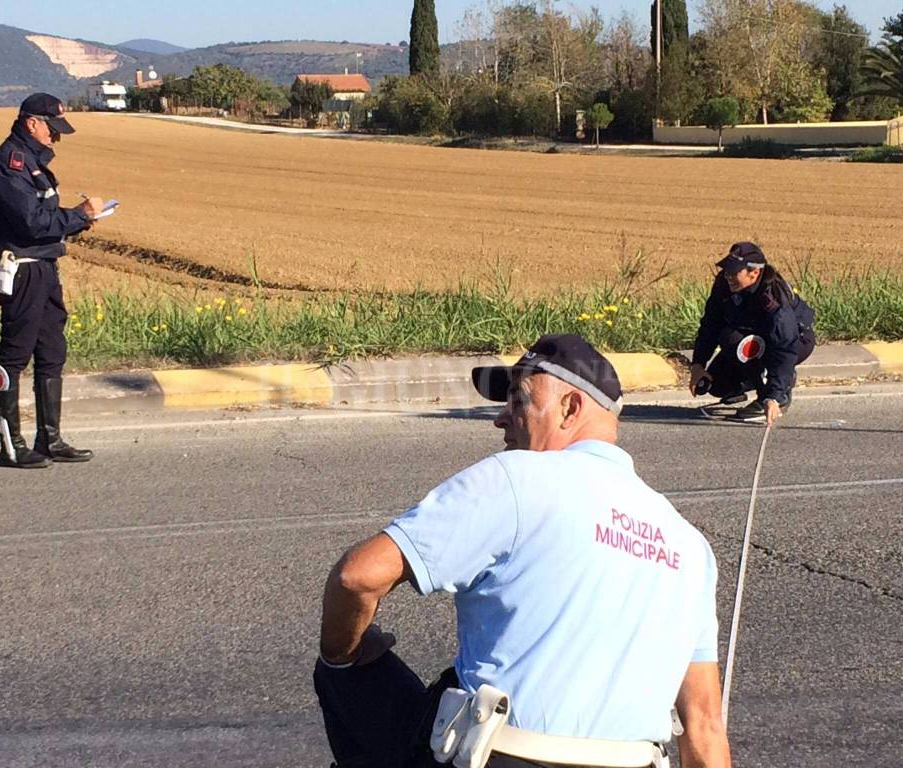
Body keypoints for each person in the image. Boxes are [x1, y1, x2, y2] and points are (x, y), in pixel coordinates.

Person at [314, 334, 731, 768]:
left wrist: (344, 654)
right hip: (633, 761)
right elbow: (704, 726)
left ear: (570, 408)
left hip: (504, 755)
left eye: (518, 401)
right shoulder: (690, 546)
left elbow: (358, 577)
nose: (500, 419)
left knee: (347, 674)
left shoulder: (518, 478)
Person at [0, 93, 103, 468]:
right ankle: (11, 445)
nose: (56, 138)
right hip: (22, 269)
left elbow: (43, 219)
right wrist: (78, 215)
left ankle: (49, 439)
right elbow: (30, 223)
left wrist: (77, 222)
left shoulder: (31, 160)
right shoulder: (10, 164)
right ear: (32, 123)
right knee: (15, 355)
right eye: (53, 129)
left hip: (44, 266)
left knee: (52, 351)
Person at [689, 242, 816, 426]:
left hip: (795, 342)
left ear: (754, 273)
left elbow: (785, 348)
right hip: (754, 339)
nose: (728, 276)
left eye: (734, 272)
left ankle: (773, 393)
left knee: (732, 340)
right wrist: (698, 364)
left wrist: (773, 395)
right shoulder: (724, 284)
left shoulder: (773, 298)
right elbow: (711, 323)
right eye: (726, 271)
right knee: (718, 384)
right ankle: (760, 380)